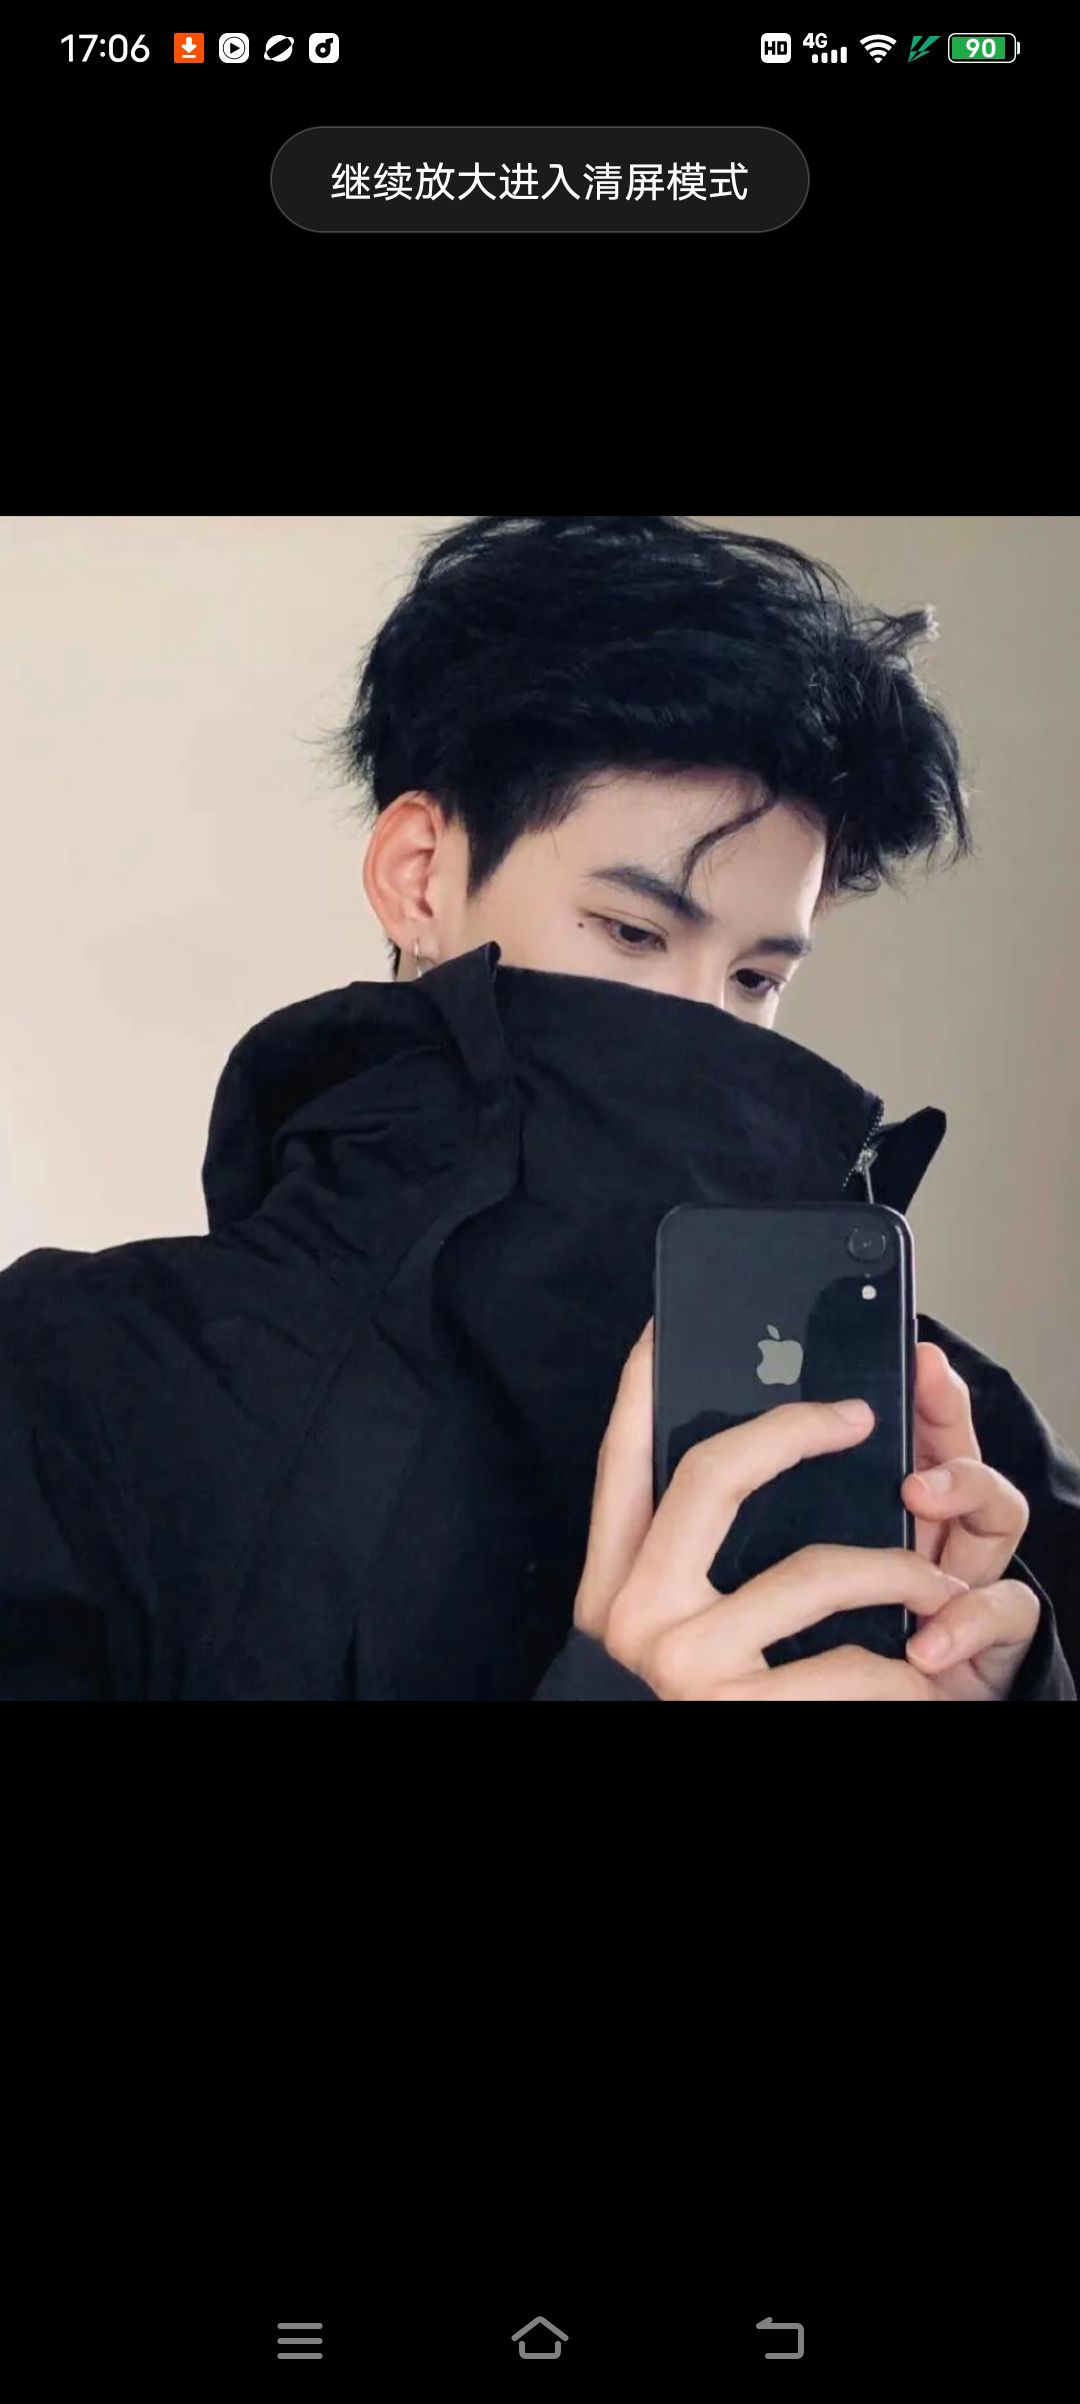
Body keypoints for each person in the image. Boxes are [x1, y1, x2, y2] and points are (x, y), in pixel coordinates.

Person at [0, 514, 1075, 1699]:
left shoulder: (928, 1422)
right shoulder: (75, 1385)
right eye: (631, 932)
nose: (702, 1032)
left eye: (756, 979)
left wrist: (1016, 1681)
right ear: (420, 876)